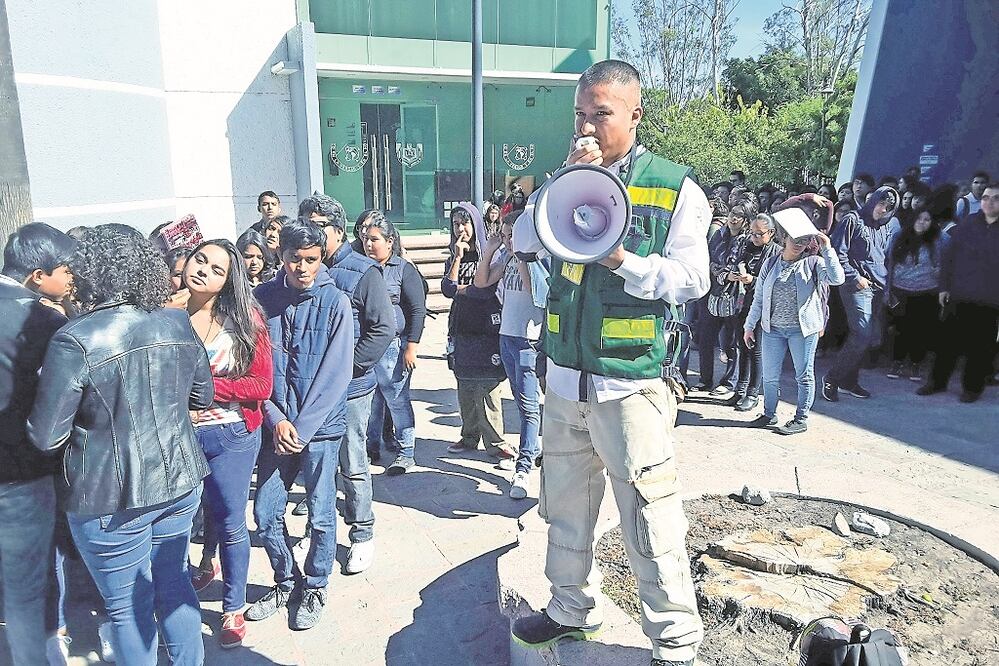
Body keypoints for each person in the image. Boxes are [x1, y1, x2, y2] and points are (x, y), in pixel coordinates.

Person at [509, 59, 707, 666]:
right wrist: (559, 186)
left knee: (648, 513)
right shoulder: (562, 180)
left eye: (602, 113)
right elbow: (522, 241)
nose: (588, 127)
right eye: (580, 114)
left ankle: (674, 642)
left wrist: (623, 260)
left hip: (632, 382)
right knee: (564, 505)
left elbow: (692, 278)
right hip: (566, 379)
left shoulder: (676, 188)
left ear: (635, 114)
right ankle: (570, 610)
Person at [27, 224, 215, 666]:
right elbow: (202, 396)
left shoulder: (76, 338)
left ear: (91, 270)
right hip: (179, 478)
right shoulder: (173, 320)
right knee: (174, 585)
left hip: (107, 499)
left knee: (127, 607)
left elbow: (46, 436)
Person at [247, 219, 353, 629]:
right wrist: (275, 419)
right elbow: (252, 367)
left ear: (321, 257)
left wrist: (301, 428)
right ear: (282, 257)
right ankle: (284, 579)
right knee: (266, 510)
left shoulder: (336, 302)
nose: (303, 267)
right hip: (275, 427)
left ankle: (315, 584)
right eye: (295, 259)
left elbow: (336, 374)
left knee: (322, 513)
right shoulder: (260, 301)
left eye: (311, 259)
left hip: (320, 430)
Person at [182, 240, 273, 649]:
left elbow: (261, 384)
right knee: (182, 520)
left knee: (231, 519)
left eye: (217, 269)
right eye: (200, 260)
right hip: (177, 435)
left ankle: (232, 607)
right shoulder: (165, 315)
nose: (204, 270)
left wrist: (205, 389)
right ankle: (195, 573)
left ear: (227, 280)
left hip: (231, 435)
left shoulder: (245, 319)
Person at [300, 195, 395, 575]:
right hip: (311, 391)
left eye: (320, 224)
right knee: (317, 465)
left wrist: (346, 368)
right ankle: (319, 528)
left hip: (352, 389)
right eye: (307, 222)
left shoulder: (362, 271)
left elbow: (383, 328)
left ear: (338, 230)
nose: (312, 230)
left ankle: (361, 533)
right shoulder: (300, 271)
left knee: (353, 462)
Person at [0, 225, 76, 666]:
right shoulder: (44, 321)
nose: (69, 280)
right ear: (36, 275)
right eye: (64, 271)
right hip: (25, 465)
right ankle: (48, 645)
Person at [745, 223, 845, 435]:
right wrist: (749, 325)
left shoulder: (814, 263)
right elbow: (759, 298)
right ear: (784, 239)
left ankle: (801, 418)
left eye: (805, 240)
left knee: (804, 375)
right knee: (769, 375)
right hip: (772, 329)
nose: (800, 244)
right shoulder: (771, 263)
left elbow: (837, 279)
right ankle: (769, 414)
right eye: (795, 239)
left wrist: (827, 247)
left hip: (803, 330)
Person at [473, 213, 546, 499]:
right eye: (504, 234)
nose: (507, 240)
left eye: (512, 234)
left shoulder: (538, 259)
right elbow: (481, 283)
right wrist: (492, 249)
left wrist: (523, 257)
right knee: (519, 401)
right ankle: (534, 447)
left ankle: (524, 467)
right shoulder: (506, 255)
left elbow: (535, 291)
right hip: (507, 337)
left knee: (529, 408)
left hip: (529, 339)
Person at [441, 204, 515, 464]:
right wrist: (458, 259)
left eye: (466, 223)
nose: (461, 229)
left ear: (475, 225)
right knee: (464, 385)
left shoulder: (491, 256)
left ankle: (496, 443)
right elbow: (448, 288)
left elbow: (482, 291)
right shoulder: (454, 256)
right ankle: (469, 436)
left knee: (488, 387)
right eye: (456, 225)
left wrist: (464, 289)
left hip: (487, 327)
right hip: (461, 328)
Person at [918, 183, 999, 402]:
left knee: (981, 350)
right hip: (959, 294)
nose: (989, 202)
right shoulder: (968, 224)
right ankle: (937, 382)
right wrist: (944, 287)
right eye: (985, 197)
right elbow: (949, 257)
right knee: (947, 344)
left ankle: (972, 389)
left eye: (995, 198)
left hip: (990, 301)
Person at [361, 213, 427, 474]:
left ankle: (406, 452)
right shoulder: (363, 267)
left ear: (390, 242)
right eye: (366, 239)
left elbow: (417, 309)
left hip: (394, 347)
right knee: (372, 400)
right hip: (367, 347)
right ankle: (372, 446)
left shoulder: (403, 269)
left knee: (397, 400)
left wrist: (412, 346)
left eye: (374, 239)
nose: (369, 244)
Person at [822, 187, 900, 402]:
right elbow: (837, 252)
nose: (883, 209)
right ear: (873, 200)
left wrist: (887, 288)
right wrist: (854, 276)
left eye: (889, 206)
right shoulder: (852, 220)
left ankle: (849, 381)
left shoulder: (884, 228)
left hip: (877, 286)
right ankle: (832, 378)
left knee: (869, 338)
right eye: (881, 203)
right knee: (862, 334)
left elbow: (884, 259)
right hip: (856, 285)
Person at [696, 193, 753, 395]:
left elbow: (749, 264)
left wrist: (736, 274)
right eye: (731, 214)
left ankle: (729, 382)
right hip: (714, 292)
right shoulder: (719, 235)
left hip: (737, 297)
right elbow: (708, 260)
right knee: (705, 338)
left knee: (731, 342)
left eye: (738, 216)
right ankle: (705, 379)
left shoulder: (748, 241)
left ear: (745, 220)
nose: (733, 218)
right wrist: (723, 274)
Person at [723, 213, 781, 412]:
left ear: (771, 233)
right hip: (741, 303)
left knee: (755, 350)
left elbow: (774, 284)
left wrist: (752, 280)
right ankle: (740, 390)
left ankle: (753, 393)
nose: (754, 238)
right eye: (752, 233)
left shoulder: (776, 253)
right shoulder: (747, 247)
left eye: (759, 234)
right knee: (742, 347)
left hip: (761, 307)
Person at [885, 208, 948, 382]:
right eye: (919, 218)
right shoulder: (899, 236)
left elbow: (946, 263)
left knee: (921, 330)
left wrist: (940, 274)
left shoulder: (939, 239)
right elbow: (889, 262)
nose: (922, 222)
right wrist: (888, 290)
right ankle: (897, 362)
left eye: (927, 219)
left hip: (927, 291)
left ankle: (916, 363)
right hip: (901, 289)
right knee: (900, 329)